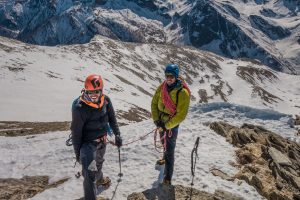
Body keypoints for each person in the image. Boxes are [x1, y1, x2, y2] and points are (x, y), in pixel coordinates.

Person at [71, 74, 122, 200]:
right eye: (90, 92)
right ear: (85, 90)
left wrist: (117, 134)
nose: (94, 95)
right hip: (87, 145)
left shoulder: (106, 101)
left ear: (101, 91)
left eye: (97, 91)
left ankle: (100, 180)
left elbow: (112, 119)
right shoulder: (80, 108)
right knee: (89, 175)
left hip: (102, 141)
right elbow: (76, 133)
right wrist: (78, 154)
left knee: (99, 163)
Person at [151, 64, 190, 185]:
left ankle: (167, 177)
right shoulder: (162, 86)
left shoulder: (182, 93)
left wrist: (166, 126)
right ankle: (164, 159)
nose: (168, 79)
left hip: (171, 125)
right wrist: (156, 120)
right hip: (161, 122)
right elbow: (154, 102)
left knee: (170, 150)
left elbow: (181, 115)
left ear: (176, 76)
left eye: (171, 76)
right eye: (167, 76)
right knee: (164, 144)